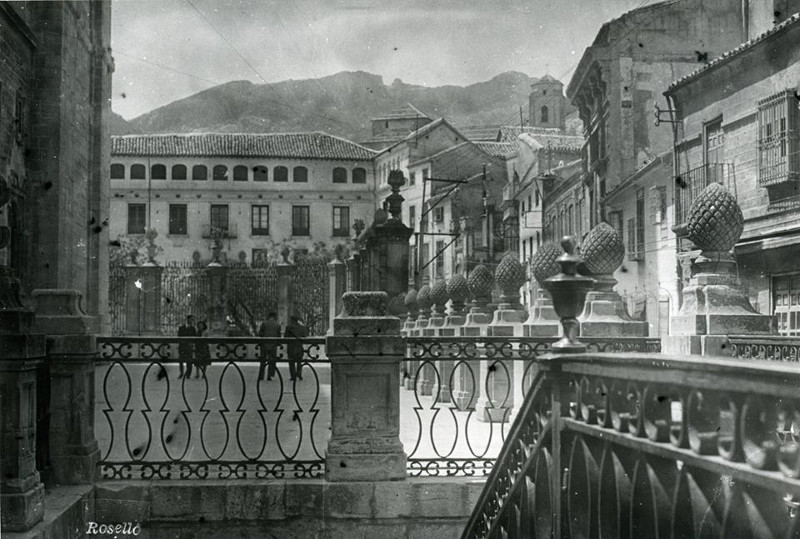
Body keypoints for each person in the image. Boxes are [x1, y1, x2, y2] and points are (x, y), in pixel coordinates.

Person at [258, 312, 281, 381]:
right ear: (275, 317)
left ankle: (261, 376)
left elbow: (260, 334)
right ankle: (270, 375)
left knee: (263, 360)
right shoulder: (277, 325)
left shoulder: (264, 323)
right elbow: (278, 336)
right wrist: (278, 343)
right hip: (273, 345)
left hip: (264, 344)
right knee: (272, 360)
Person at [284, 314, 307, 381]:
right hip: (299, 346)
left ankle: (293, 376)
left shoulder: (288, 327)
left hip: (291, 346)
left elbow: (286, 337)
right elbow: (304, 336)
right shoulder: (302, 327)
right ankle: (299, 375)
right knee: (299, 361)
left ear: (292, 320)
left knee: (291, 362)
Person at [176, 314, 196, 379]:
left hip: (189, 347)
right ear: (187, 319)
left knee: (189, 361)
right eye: (190, 319)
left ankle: (188, 374)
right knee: (181, 360)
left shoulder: (193, 328)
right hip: (182, 346)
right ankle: (181, 373)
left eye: (192, 320)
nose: (191, 321)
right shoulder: (181, 328)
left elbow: (194, 337)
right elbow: (179, 336)